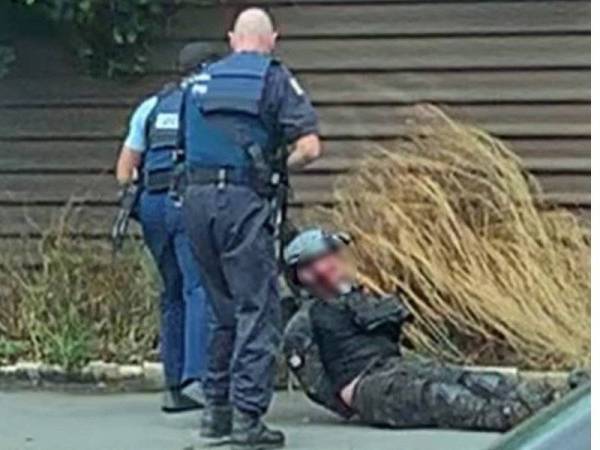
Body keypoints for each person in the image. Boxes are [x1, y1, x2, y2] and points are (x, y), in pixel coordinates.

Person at [181, 8, 322, 449]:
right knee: (256, 310)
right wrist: (279, 167)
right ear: (272, 38)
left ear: (231, 38)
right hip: (242, 203)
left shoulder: (198, 82)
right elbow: (309, 148)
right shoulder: (274, 79)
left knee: (220, 310)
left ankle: (215, 413)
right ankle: (247, 418)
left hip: (196, 202)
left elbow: (182, 145)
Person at [282, 228, 581, 431]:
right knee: (447, 400)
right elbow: (314, 381)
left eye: (333, 256)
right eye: (325, 259)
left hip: (395, 368)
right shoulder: (305, 320)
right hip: (370, 386)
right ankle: (541, 418)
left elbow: (390, 331)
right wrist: (350, 402)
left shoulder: (354, 297)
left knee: (471, 380)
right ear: (305, 272)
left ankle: (564, 397)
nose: (334, 263)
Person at [115, 42, 219, 413]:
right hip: (186, 200)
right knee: (198, 288)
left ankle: (174, 385)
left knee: (171, 291)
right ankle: (197, 378)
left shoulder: (152, 106)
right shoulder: (206, 104)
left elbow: (124, 171)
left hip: (152, 206)